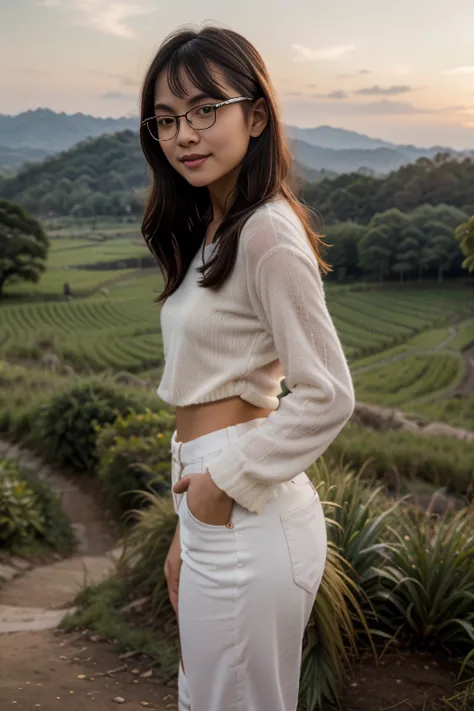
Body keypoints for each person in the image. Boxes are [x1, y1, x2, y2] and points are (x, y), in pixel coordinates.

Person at [139, 24, 355, 711]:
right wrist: (188, 520)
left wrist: (219, 488)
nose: (184, 134)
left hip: (243, 502)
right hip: (214, 500)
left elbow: (328, 393)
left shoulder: (265, 230)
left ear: (256, 115)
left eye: (206, 109)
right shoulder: (216, 229)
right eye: (168, 119)